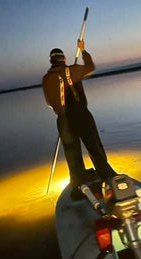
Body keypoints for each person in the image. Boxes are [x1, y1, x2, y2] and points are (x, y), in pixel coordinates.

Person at [42, 39, 116, 200]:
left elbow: (49, 103)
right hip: (81, 115)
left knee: (72, 154)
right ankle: (108, 178)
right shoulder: (71, 71)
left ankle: (79, 184)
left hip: (62, 120)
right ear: (64, 59)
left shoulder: (46, 79)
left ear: (51, 61)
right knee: (94, 147)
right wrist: (83, 51)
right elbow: (90, 67)